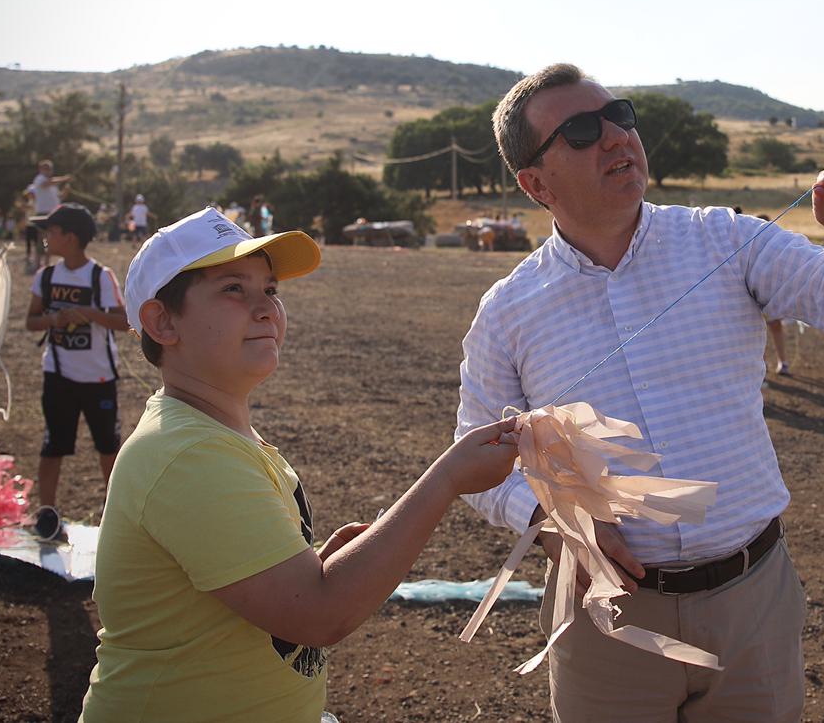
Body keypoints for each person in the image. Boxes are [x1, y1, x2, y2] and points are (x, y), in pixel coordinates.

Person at [455, 64, 824, 721]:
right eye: (583, 131)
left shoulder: (725, 238)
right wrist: (547, 517)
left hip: (751, 600)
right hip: (604, 617)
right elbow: (475, 459)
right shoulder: (507, 312)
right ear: (535, 183)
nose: (615, 137)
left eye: (622, 116)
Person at [79, 207, 520, 722]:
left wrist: (310, 564)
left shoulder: (212, 435)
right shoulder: (187, 454)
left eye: (270, 290)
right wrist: (446, 479)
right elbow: (317, 615)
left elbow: (279, 596)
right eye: (232, 289)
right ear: (162, 321)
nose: (265, 308)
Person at [23, 204, 129, 540]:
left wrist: (89, 313)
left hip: (99, 378)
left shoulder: (101, 276)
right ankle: (48, 513)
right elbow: (31, 321)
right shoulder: (46, 276)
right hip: (58, 375)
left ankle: (117, 515)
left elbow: (124, 321)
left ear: (69, 237)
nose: (45, 237)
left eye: (51, 231)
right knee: (53, 446)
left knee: (108, 448)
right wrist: (54, 320)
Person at [27, 160, 72, 271]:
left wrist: (66, 191)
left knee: (51, 239)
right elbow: (46, 184)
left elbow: (60, 197)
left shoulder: (53, 186)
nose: (47, 170)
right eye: (45, 168)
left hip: (53, 213)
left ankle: (46, 264)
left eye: (49, 168)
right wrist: (64, 179)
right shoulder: (39, 179)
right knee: (42, 238)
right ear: (40, 169)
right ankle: (37, 263)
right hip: (43, 213)